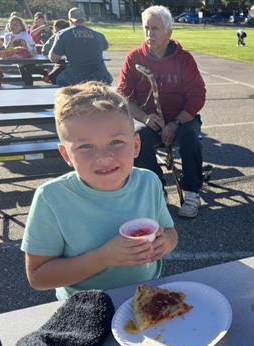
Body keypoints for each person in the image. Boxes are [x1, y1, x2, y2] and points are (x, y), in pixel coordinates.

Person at [21, 82, 178, 300]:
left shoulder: (149, 182)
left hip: (147, 295)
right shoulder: (52, 199)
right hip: (85, 305)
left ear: (135, 146)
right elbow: (38, 276)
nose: (104, 157)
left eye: (116, 142)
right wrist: (103, 258)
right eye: (85, 146)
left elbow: (170, 232)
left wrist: (164, 244)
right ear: (66, 155)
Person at [117, 5, 206, 218]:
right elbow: (123, 97)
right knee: (137, 141)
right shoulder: (134, 58)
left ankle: (192, 192)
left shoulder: (184, 59)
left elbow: (197, 96)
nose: (149, 33)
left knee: (190, 137)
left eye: (155, 28)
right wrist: (145, 118)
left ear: (168, 33)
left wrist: (175, 123)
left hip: (182, 119)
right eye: (146, 28)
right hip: (151, 120)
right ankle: (156, 190)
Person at [48, 7, 112, 85]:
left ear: (70, 20)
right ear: (84, 19)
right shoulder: (99, 35)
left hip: (76, 78)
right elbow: (105, 47)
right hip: (100, 78)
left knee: (55, 78)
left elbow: (53, 58)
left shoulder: (63, 34)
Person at [41, 19, 70, 83]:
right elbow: (44, 49)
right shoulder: (55, 37)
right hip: (60, 64)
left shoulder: (69, 36)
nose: (55, 32)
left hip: (68, 65)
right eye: (56, 30)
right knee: (50, 77)